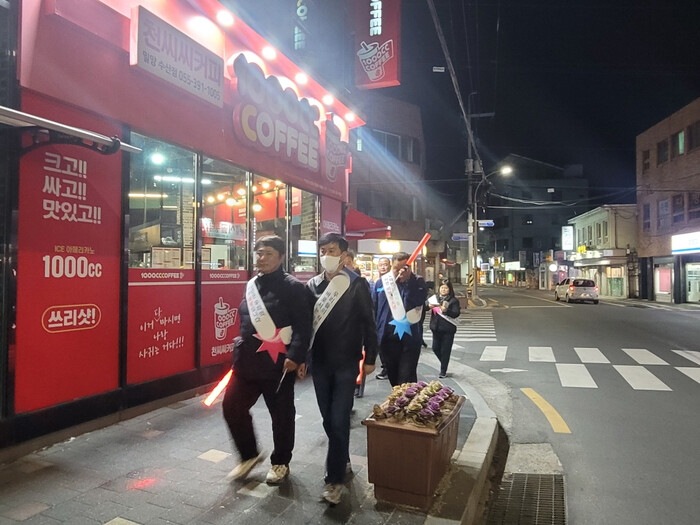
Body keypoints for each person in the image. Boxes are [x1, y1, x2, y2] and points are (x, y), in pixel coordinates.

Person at [222, 235, 313, 485]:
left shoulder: (293, 287)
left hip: (278, 364)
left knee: (281, 416)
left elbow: (304, 326)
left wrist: (296, 356)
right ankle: (249, 455)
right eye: (259, 253)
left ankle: (281, 462)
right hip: (247, 363)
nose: (261, 258)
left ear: (281, 257)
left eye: (268, 253)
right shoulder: (251, 285)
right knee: (232, 407)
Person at [307, 233, 378, 505]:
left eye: (332, 250)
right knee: (328, 419)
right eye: (323, 250)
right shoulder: (312, 285)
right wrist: (302, 358)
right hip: (320, 364)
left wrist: (370, 357)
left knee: (338, 419)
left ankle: (334, 480)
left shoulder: (356, 284)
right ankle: (342, 457)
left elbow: (369, 323)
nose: (326, 255)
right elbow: (305, 325)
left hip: (347, 364)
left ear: (344, 255)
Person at [372, 252, 427, 386]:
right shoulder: (382, 282)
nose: (400, 272)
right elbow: (373, 307)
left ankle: (408, 397)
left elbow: (418, 302)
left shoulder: (417, 282)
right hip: (387, 336)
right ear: (392, 266)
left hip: (409, 337)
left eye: (404, 268)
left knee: (406, 378)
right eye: (397, 268)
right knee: (393, 377)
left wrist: (408, 283)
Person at [429, 280, 461, 378]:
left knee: (445, 350)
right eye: (442, 287)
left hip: (448, 329)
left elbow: (456, 313)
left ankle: (443, 371)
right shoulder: (435, 298)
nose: (443, 289)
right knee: (435, 348)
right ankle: (444, 362)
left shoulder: (453, 300)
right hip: (436, 328)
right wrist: (428, 306)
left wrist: (446, 310)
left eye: (446, 288)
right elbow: (425, 305)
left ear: (450, 289)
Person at [372, 257, 391, 380]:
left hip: (392, 321)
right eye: (381, 265)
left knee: (389, 346)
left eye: (385, 264)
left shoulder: (394, 281)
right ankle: (386, 368)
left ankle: (389, 369)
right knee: (381, 346)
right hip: (380, 320)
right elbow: (374, 302)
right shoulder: (378, 283)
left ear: (390, 266)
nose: (383, 267)